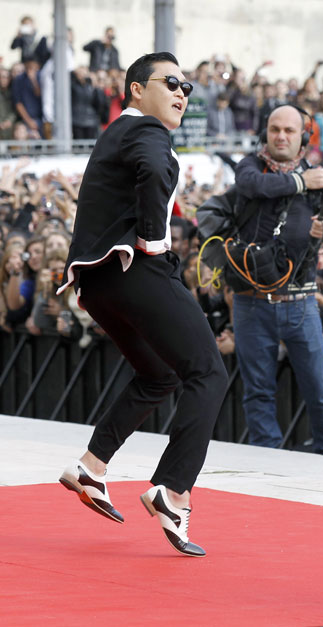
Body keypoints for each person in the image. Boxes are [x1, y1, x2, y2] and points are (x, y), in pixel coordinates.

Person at [56, 52, 226, 558]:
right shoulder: (146, 130)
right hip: (136, 270)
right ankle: (173, 491)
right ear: (135, 89)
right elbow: (153, 170)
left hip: (98, 284)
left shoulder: (119, 133)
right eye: (170, 82)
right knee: (208, 374)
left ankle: (91, 466)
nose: (181, 93)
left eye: (186, 87)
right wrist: (154, 241)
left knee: (159, 374)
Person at [230, 104, 323, 456]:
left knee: (319, 389)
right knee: (257, 391)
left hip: (300, 302)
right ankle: (265, 461)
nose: (280, 136)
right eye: (274, 129)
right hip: (250, 301)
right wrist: (300, 182)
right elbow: (251, 184)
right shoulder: (252, 167)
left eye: (289, 131)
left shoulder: (320, 181)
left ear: (303, 137)